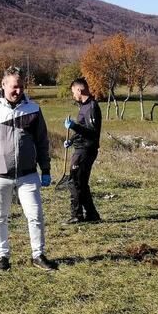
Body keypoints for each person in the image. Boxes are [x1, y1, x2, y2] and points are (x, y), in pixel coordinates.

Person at [0, 67, 57, 272]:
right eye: (14, 87)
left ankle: (38, 255)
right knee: (0, 216)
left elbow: (42, 141)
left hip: (28, 174)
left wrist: (46, 169)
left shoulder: (33, 108)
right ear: (3, 84)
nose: (18, 91)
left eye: (21, 87)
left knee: (35, 215)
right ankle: (3, 256)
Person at [63, 77, 102, 224]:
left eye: (74, 92)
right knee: (81, 183)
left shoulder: (92, 107)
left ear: (79, 90)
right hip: (80, 147)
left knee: (74, 181)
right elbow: (81, 129)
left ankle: (77, 215)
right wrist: (71, 140)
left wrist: (74, 126)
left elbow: (92, 132)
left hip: (86, 150)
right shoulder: (83, 106)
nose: (73, 95)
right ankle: (92, 215)